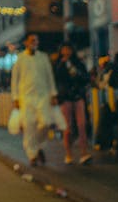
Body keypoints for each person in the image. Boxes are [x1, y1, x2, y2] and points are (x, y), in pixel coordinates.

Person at [11, 32, 58, 166]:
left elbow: (50, 77)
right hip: (26, 97)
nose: (34, 42)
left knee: (46, 123)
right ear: (26, 42)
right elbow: (15, 80)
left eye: (36, 40)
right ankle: (32, 155)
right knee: (29, 126)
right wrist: (15, 98)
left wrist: (53, 94)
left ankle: (38, 147)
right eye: (31, 40)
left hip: (43, 96)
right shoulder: (20, 59)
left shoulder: (43, 57)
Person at [54, 42, 92, 165]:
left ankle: (84, 153)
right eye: (64, 49)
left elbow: (86, 78)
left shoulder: (79, 64)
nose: (66, 52)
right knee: (67, 127)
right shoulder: (58, 64)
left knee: (82, 125)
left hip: (78, 96)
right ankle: (68, 154)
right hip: (65, 98)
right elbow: (56, 79)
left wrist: (77, 72)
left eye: (68, 49)